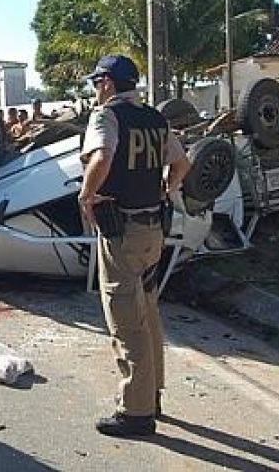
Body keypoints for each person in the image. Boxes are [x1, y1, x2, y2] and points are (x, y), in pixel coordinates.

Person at [77, 55, 190, 438]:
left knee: (125, 317)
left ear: (108, 83)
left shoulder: (107, 116)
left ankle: (136, 413)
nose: (95, 90)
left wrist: (86, 195)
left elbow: (102, 157)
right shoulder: (155, 119)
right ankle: (151, 394)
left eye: (97, 83)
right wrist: (165, 190)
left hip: (121, 231)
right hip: (153, 229)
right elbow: (182, 164)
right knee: (148, 311)